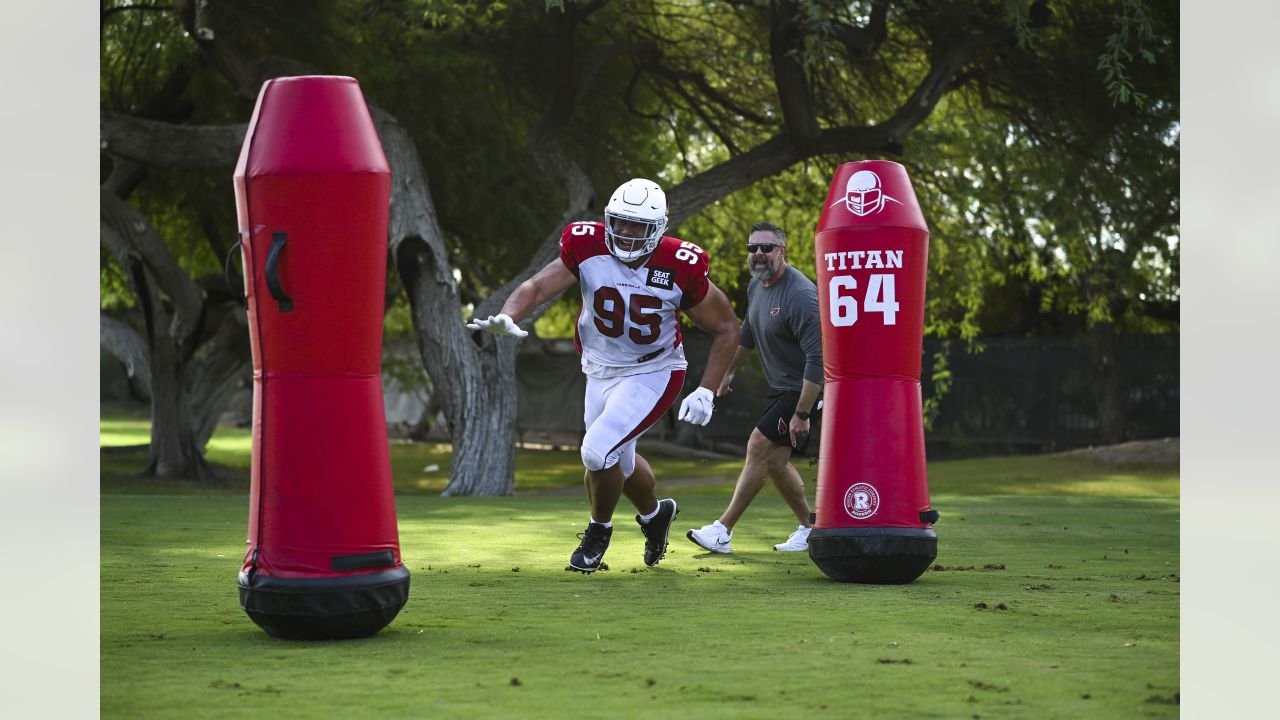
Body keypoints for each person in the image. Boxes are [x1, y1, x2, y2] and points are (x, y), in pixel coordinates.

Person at [467, 178, 740, 573]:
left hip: (654, 369)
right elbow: (537, 286)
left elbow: (728, 327)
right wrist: (510, 314)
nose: (626, 233)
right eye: (620, 222)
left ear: (658, 228)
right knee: (618, 461)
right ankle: (654, 515)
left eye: (637, 225)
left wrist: (707, 390)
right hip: (597, 368)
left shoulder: (678, 264)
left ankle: (599, 531)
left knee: (596, 451)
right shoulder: (587, 244)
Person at [686, 221, 822, 554]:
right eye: (753, 248)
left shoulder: (801, 295)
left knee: (758, 445)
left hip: (804, 388)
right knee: (774, 463)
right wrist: (727, 372)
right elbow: (748, 331)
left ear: (782, 251)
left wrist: (803, 412)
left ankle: (723, 530)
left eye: (766, 247)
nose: (758, 254)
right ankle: (811, 528)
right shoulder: (757, 285)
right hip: (782, 388)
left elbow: (819, 359)